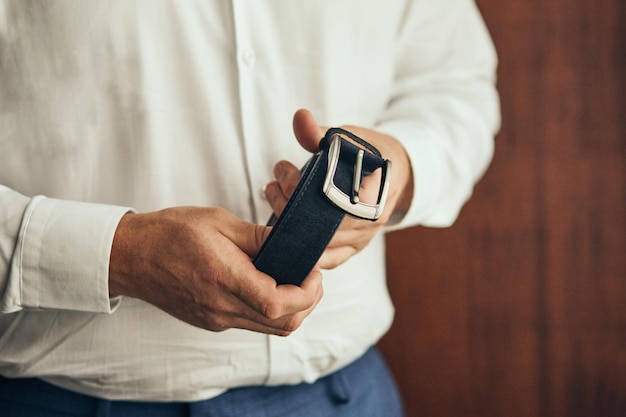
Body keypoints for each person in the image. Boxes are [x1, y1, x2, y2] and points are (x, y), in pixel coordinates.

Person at [0, 1, 500, 416]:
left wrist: (398, 168)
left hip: (345, 394)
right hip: (59, 398)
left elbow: (453, 84)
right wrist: (120, 256)